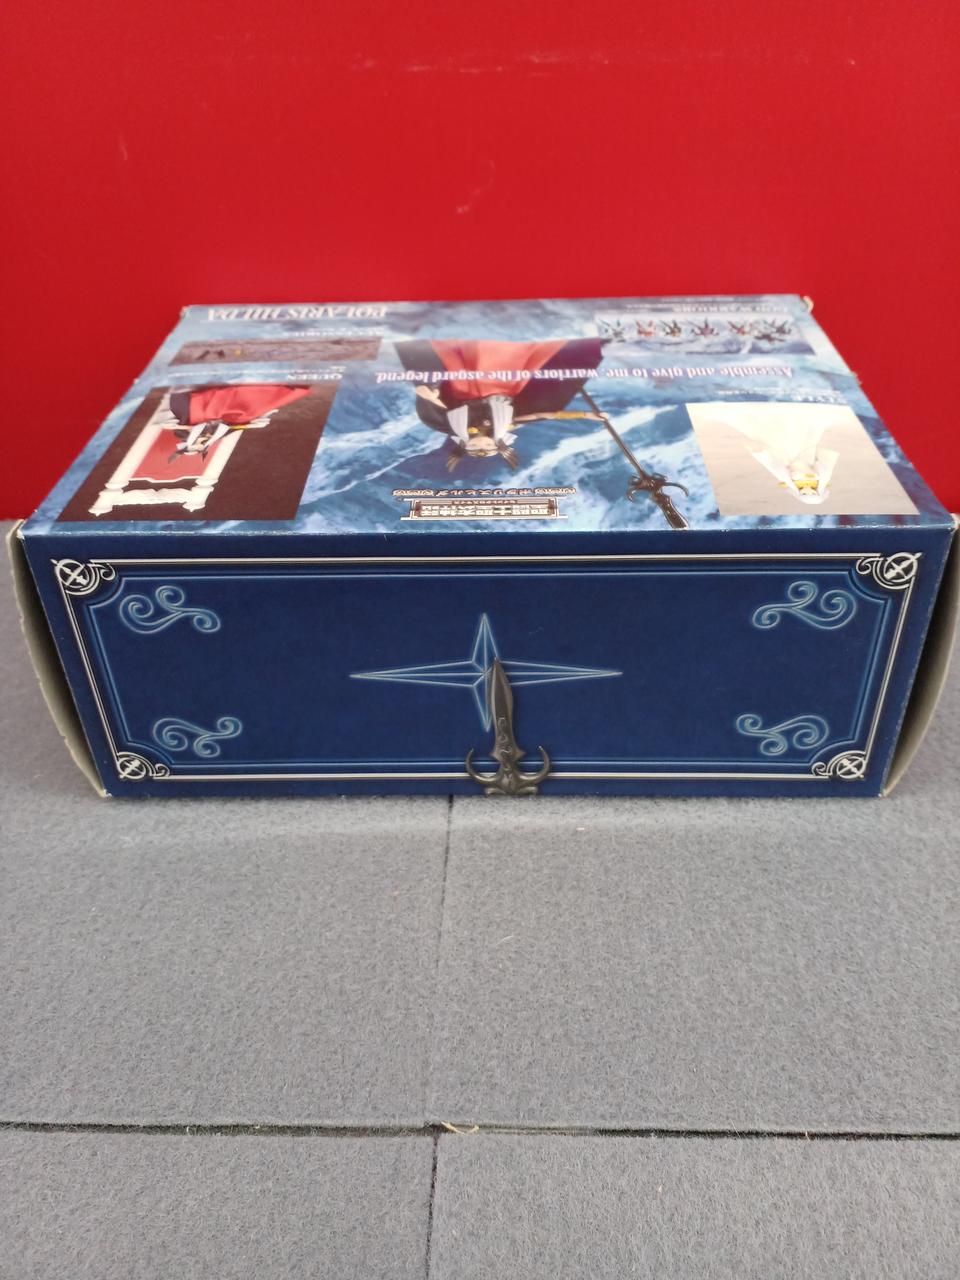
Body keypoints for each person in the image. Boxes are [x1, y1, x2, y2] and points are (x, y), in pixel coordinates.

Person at [394, 337, 606, 470]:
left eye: (475, 446)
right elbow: (541, 415)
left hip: (464, 386)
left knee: (470, 357)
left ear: (465, 444)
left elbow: (440, 406)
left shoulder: (453, 425)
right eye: (487, 446)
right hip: (507, 384)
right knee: (515, 357)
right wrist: (586, 415)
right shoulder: (505, 424)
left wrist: (429, 395)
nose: (481, 443)